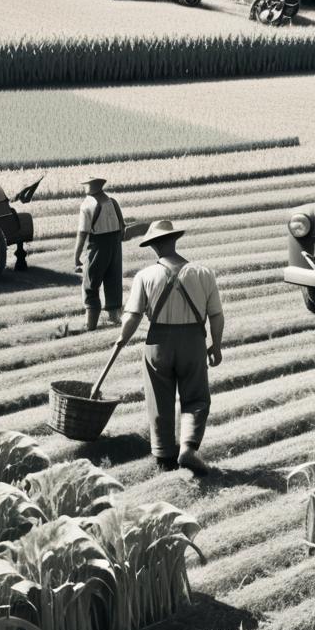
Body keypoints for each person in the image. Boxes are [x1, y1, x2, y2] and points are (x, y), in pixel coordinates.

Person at [117, 219, 224, 475]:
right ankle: (188, 448)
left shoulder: (144, 276)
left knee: (159, 399)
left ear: (153, 246)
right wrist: (216, 345)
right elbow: (216, 316)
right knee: (196, 398)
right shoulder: (203, 273)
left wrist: (122, 338)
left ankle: (164, 457)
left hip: (158, 344)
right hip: (193, 343)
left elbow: (132, 316)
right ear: (175, 240)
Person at [74, 176, 125, 330]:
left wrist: (76, 257)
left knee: (90, 283)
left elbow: (82, 233)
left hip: (97, 245)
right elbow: (123, 228)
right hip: (115, 245)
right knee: (113, 280)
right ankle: (114, 317)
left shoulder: (87, 205)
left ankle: (90, 323)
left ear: (90, 188)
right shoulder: (113, 202)